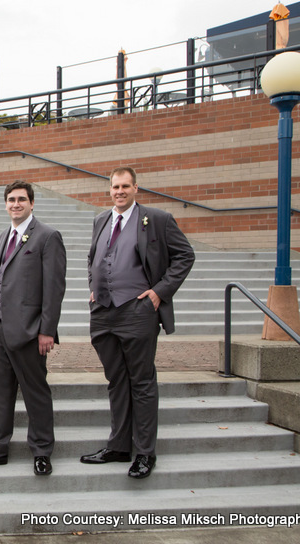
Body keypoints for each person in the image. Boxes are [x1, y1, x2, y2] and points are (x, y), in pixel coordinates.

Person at [80, 167, 195, 479]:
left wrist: (159, 293)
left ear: (135, 188)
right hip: (103, 312)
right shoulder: (101, 219)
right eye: (115, 186)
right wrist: (93, 286)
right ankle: (118, 445)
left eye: (125, 186)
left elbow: (185, 256)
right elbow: (93, 258)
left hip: (137, 310)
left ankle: (144, 453)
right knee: (117, 380)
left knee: (141, 382)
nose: (119, 191)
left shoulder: (157, 219)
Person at [0, 180, 66, 476]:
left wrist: (47, 330)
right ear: (6, 204)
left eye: (21, 199)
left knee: (36, 392)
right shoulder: (4, 235)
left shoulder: (47, 237)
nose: (15, 204)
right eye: (11, 199)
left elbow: (54, 288)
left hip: (30, 332)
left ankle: (42, 451)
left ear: (32, 203)